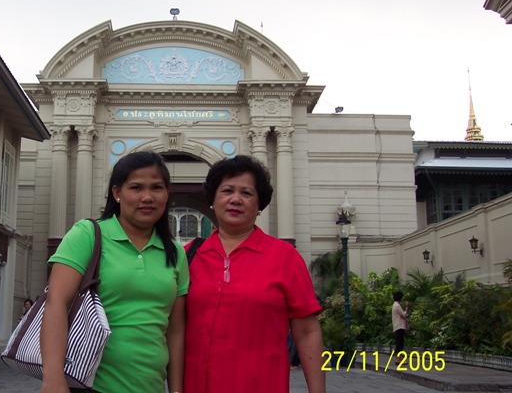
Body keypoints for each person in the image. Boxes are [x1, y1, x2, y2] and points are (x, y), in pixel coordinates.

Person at [41, 151, 189, 393]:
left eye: (157, 188)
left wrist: (175, 390)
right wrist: (53, 380)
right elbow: (56, 303)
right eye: (136, 188)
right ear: (117, 193)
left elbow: (175, 329)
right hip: (88, 385)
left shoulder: (175, 252)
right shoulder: (88, 234)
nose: (148, 197)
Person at [184, 155, 325, 393]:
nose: (235, 199)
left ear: (259, 205)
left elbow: (307, 331)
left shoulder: (284, 257)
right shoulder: (189, 255)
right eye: (227, 190)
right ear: (213, 200)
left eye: (246, 193)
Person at [392, 291, 409, 361]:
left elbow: (402, 315)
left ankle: (399, 359)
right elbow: (404, 314)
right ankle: (398, 359)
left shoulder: (395, 305)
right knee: (400, 343)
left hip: (398, 326)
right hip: (399, 326)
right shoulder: (397, 305)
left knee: (399, 342)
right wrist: (407, 308)